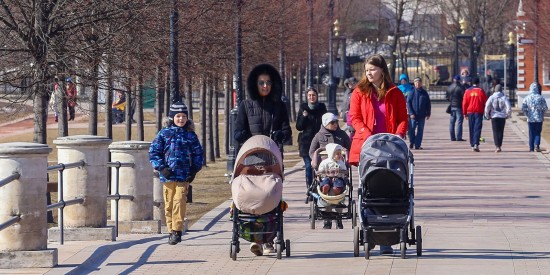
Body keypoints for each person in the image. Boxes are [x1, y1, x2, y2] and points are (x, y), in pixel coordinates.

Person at [348, 54, 408, 255]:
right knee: (369, 189)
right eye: (366, 70)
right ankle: (370, 233)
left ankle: (387, 238)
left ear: (382, 70)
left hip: (390, 150)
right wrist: (366, 135)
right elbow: (354, 117)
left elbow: (402, 118)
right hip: (367, 148)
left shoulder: (395, 92)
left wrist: (397, 137)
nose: (369, 73)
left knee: (389, 188)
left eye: (372, 69)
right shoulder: (359, 92)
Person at [234, 63, 291, 255]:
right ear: (255, 84)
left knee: (271, 196)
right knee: (251, 195)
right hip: (251, 158)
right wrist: (244, 136)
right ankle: (253, 237)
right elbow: (238, 130)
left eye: (268, 83)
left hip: (272, 159)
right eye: (261, 83)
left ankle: (268, 239)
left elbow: (286, 129)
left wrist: (281, 135)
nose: (265, 86)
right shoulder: (246, 105)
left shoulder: (279, 106)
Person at [149, 101, 204, 245]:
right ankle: (170, 230)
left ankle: (177, 231)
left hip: (183, 175)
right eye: (178, 116)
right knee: (168, 204)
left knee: (179, 201)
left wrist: (194, 170)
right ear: (172, 117)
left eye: (183, 116)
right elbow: (154, 152)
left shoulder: (190, 135)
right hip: (168, 175)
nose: (181, 119)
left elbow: (198, 154)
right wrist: (161, 168)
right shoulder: (164, 134)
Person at [309, 112, 351, 229]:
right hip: (325, 169)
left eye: (336, 122)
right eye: (332, 122)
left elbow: (349, 147)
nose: (335, 124)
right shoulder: (319, 136)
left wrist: (345, 158)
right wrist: (317, 161)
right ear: (326, 123)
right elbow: (312, 151)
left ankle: (338, 219)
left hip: (339, 169)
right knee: (325, 188)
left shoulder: (341, 134)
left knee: (339, 187)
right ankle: (327, 219)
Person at [296, 87, 326, 191]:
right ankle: (310, 189)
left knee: (320, 167)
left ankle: (320, 188)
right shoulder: (303, 108)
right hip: (306, 143)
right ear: (307, 97)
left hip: (320, 142)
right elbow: (298, 127)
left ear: (317, 96)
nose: (311, 97)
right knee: (309, 167)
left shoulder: (322, 108)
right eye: (309, 95)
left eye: (313, 95)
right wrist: (303, 117)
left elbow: (326, 123)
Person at [484, 80, 511, 152]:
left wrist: (487, 115)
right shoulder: (504, 97)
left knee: (495, 131)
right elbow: (509, 107)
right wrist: (508, 115)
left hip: (494, 116)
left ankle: (497, 146)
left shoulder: (491, 97)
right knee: (501, 131)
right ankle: (500, 144)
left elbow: (487, 106)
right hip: (502, 116)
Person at [462, 77, 488, 152]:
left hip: (470, 112)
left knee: (471, 128)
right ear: (478, 83)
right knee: (477, 128)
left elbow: (464, 103)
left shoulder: (467, 91)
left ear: (471, 83)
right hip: (479, 111)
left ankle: (472, 144)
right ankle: (476, 143)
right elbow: (485, 101)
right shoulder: (480, 91)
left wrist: (464, 113)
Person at [522, 82, 548, 152]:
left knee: (531, 133)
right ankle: (537, 145)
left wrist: (527, 114)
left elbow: (523, 108)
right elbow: (545, 108)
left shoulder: (527, 98)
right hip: (539, 118)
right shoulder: (541, 98)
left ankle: (531, 147)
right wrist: (541, 112)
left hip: (531, 118)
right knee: (538, 132)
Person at [406, 77, 431, 150]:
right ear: (414, 84)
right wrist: (411, 113)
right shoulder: (411, 92)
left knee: (420, 130)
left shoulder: (424, 93)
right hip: (413, 115)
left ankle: (417, 144)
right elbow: (408, 103)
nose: (418, 84)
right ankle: (412, 141)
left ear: (421, 83)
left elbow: (428, 103)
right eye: (416, 82)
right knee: (412, 129)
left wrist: (428, 113)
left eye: (419, 82)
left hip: (422, 115)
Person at [446, 75, 466, 141]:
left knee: (452, 122)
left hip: (452, 106)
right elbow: (464, 98)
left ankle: (452, 137)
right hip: (459, 106)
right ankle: (459, 137)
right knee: (459, 122)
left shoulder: (449, 87)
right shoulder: (461, 87)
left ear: (453, 79)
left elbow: (447, 97)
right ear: (459, 80)